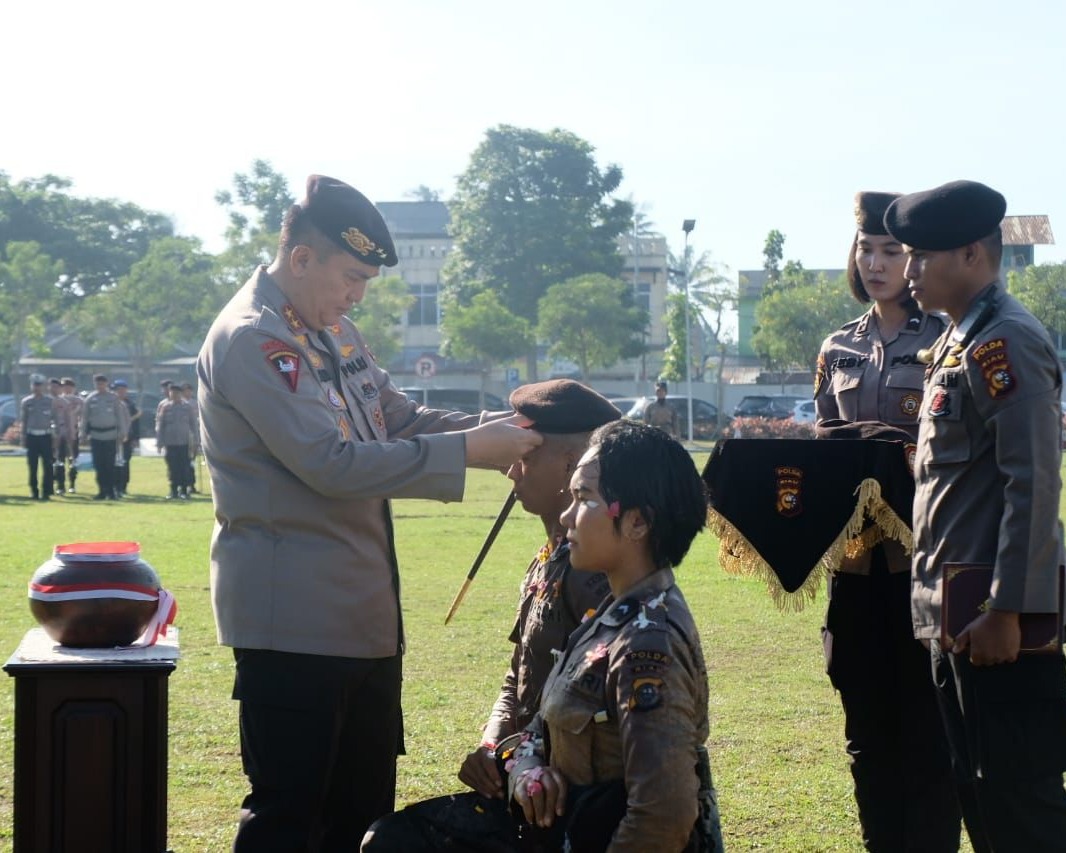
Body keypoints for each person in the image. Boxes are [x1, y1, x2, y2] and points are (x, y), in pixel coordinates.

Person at [197, 173, 541, 852]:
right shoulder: (255, 339)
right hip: (292, 623)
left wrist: (504, 426)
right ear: (301, 258)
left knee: (361, 811)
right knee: (289, 817)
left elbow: (402, 419)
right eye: (350, 276)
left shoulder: (334, 332)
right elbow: (331, 462)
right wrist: (474, 449)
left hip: (359, 619)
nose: (356, 296)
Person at [884, 180, 1066, 851]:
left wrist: (1009, 608)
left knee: (1022, 809)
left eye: (920, 256)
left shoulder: (1007, 342)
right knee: (982, 799)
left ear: (970, 253)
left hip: (998, 625)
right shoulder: (960, 340)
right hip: (957, 616)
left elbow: (1035, 483)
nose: (908, 272)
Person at [362, 379, 620, 851]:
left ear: (569, 465)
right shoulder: (548, 561)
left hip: (571, 799)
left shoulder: (596, 575)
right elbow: (517, 678)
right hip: (524, 778)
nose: (510, 473)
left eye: (525, 458)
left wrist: (528, 761)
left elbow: (597, 708)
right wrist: (490, 746)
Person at [813, 192, 959, 851]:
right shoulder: (837, 346)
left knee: (929, 738)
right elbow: (821, 443)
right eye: (865, 248)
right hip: (853, 567)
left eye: (890, 251)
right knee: (866, 737)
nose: (875, 262)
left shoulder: (945, 339)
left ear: (914, 258)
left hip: (925, 565)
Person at [507, 420, 719, 851]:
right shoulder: (606, 618)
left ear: (638, 522)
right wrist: (527, 769)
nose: (566, 515)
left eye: (584, 498)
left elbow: (663, 816)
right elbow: (537, 727)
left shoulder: (648, 642)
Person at [80, 373, 130, 501]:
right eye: (97, 383)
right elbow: (84, 418)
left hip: (111, 435)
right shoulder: (90, 399)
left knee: (110, 464)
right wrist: (83, 434)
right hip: (96, 436)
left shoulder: (113, 398)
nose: (100, 386)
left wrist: (123, 432)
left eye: (102, 383)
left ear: (106, 384)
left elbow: (120, 416)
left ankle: (112, 491)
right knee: (99, 465)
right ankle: (102, 490)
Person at [20, 374, 57, 501]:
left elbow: (55, 419)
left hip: (46, 436)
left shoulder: (50, 401)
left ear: (44, 387)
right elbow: (24, 421)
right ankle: (34, 491)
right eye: (35, 385)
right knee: (32, 466)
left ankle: (46, 491)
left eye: (39, 385)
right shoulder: (27, 401)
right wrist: (23, 436)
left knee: (47, 465)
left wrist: (55, 436)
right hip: (32, 436)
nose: (37, 388)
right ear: (31, 386)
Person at [156, 382, 195, 499]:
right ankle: (173, 490)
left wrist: (196, 442)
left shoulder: (187, 407)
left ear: (180, 394)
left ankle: (184, 490)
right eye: (172, 392)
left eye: (177, 393)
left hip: (184, 443)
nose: (174, 395)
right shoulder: (165, 407)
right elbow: (160, 425)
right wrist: (159, 443)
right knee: (172, 467)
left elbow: (193, 425)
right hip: (170, 443)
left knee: (184, 466)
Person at [112, 379, 141, 497]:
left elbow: (136, 422)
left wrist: (136, 438)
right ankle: (114, 486)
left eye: (122, 390)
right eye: (118, 390)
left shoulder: (130, 404)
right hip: (112, 437)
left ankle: (123, 486)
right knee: (114, 462)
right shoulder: (111, 402)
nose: (120, 392)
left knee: (125, 462)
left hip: (127, 437)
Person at [60, 377, 83, 493]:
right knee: (59, 459)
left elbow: (84, 417)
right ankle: (60, 485)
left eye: (69, 386)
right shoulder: (57, 400)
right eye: (64, 386)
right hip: (60, 433)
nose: (67, 388)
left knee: (73, 460)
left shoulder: (79, 401)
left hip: (74, 433)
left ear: (73, 388)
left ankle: (72, 484)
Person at [48, 378, 70, 494]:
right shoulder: (45, 401)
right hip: (47, 435)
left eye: (56, 387)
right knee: (48, 461)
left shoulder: (64, 402)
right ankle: (49, 485)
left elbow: (68, 420)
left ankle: (61, 485)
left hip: (61, 433)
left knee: (60, 460)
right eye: (51, 386)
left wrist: (69, 434)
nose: (53, 389)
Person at [180, 381, 200, 493]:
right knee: (184, 462)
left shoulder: (195, 403)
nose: (188, 393)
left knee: (192, 461)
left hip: (193, 435)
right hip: (183, 436)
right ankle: (184, 484)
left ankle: (192, 485)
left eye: (189, 390)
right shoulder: (181, 403)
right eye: (185, 391)